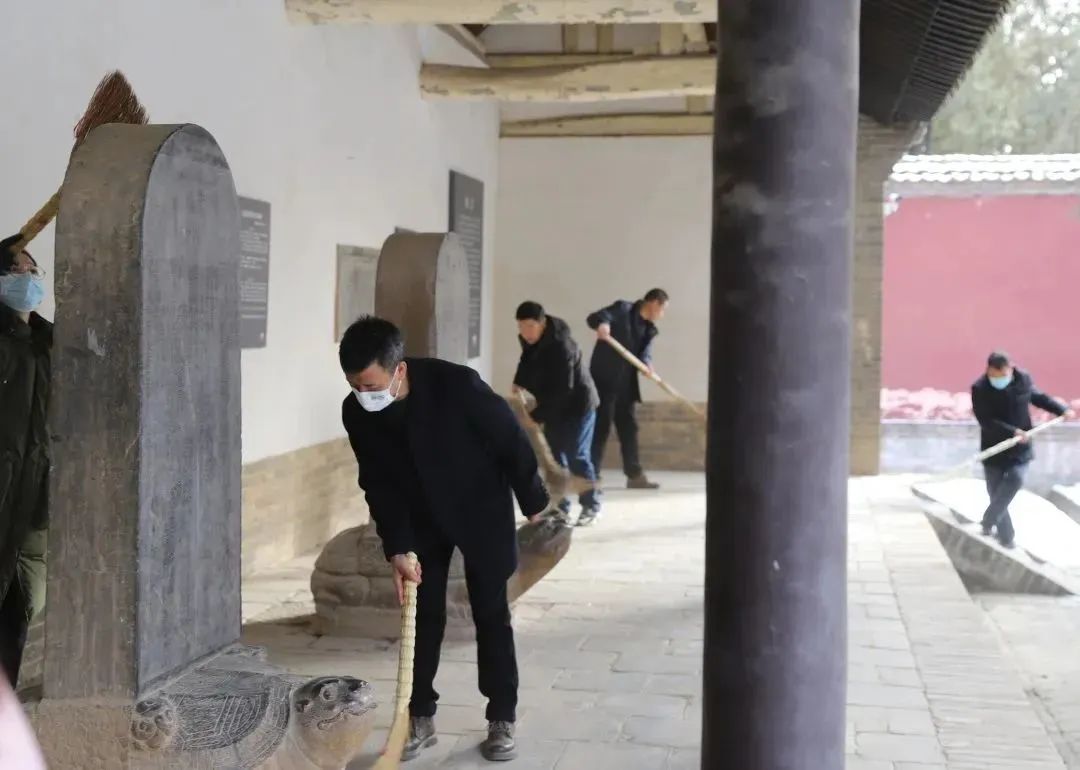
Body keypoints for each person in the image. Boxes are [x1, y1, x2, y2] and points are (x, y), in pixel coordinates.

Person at [339, 316, 548, 763]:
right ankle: (420, 716)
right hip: (420, 520)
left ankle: (501, 716)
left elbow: (510, 439)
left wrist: (533, 498)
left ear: (399, 369)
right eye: (354, 386)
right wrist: (397, 546)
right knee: (422, 615)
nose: (363, 394)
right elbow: (376, 482)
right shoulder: (356, 411)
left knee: (490, 612)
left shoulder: (457, 386)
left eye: (370, 385)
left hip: (479, 508)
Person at [0, 234, 51, 688]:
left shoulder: (49, 342)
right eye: (16, 269)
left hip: (34, 498)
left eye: (33, 269)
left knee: (22, 606)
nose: (28, 277)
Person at [512, 301, 602, 526]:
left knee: (576, 455)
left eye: (530, 326)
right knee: (554, 458)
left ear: (542, 323)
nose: (525, 332)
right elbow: (527, 359)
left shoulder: (562, 346)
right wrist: (519, 381)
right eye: (521, 326)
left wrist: (537, 414)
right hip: (554, 407)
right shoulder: (530, 339)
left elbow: (564, 389)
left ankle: (591, 505)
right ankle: (560, 508)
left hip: (578, 406)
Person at [971, 351, 1072, 548]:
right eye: (997, 375)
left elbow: (1038, 397)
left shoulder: (1022, 379)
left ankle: (988, 520)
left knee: (1016, 478)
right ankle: (1006, 538)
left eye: (1004, 374)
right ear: (989, 370)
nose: (1001, 378)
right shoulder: (980, 388)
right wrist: (1012, 432)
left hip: (1021, 446)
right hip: (994, 446)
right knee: (995, 492)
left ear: (1010, 368)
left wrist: (1061, 410)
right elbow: (985, 420)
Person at [586, 288, 669, 490]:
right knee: (601, 426)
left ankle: (634, 475)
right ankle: (591, 476)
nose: (662, 314)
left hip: (626, 386)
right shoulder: (623, 309)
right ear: (654, 303)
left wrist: (647, 364)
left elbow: (644, 353)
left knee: (629, 429)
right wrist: (603, 324)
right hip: (605, 381)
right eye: (663, 309)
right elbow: (595, 317)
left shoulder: (649, 329)